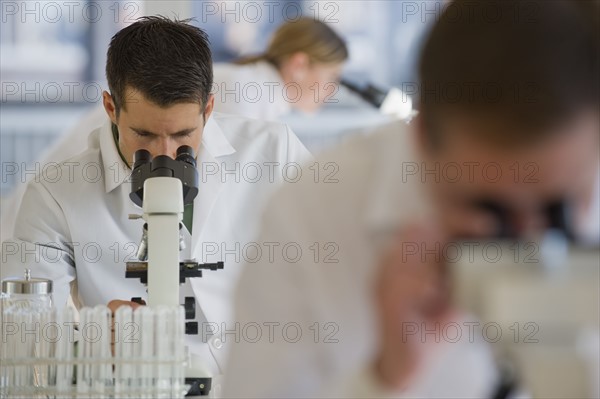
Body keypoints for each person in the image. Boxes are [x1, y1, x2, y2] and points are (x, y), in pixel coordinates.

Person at [223, 1, 599, 397]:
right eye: (489, 208)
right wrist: (385, 379)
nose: (527, 239)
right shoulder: (308, 217)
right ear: (419, 142)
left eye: (557, 206)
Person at [0, 16, 311, 386]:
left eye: (183, 134)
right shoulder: (56, 194)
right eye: (143, 134)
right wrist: (90, 342)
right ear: (111, 108)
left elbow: (342, 264)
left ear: (208, 109)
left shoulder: (275, 150)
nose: (165, 154)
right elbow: (20, 337)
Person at [212, 17, 349, 120]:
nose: (332, 90)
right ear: (299, 65)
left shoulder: (263, 96)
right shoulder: (245, 92)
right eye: (332, 77)